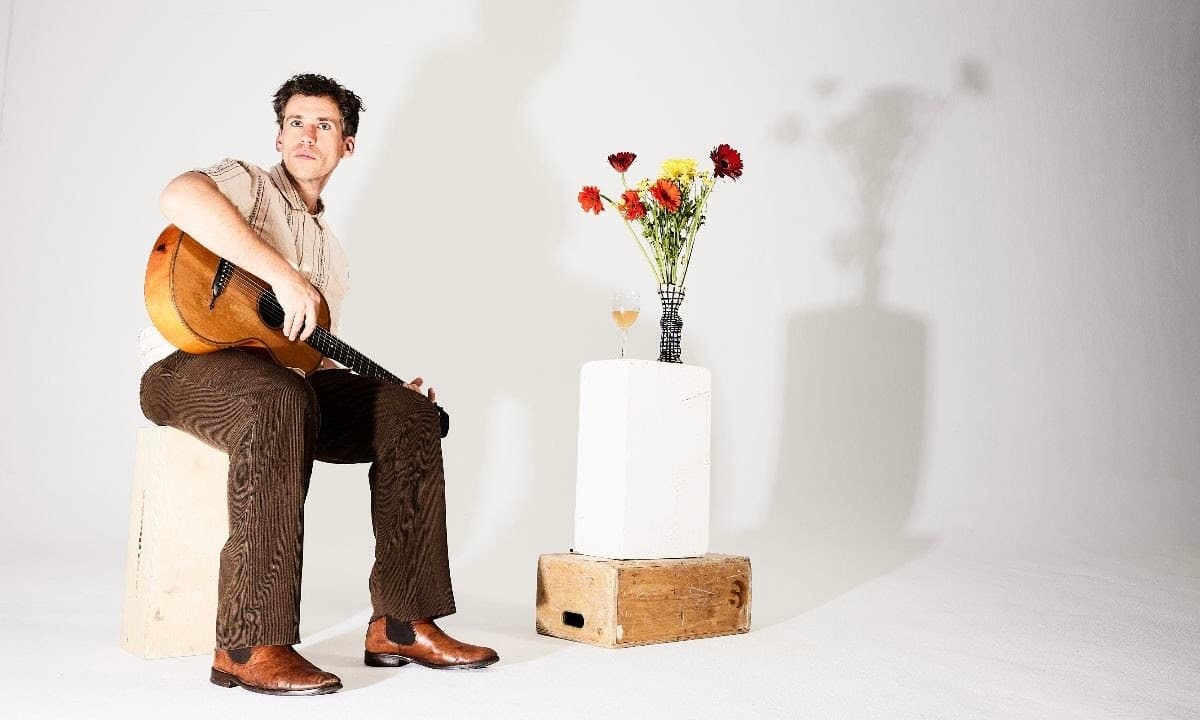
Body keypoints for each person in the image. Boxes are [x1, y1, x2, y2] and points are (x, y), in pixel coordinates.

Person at [138, 73, 498, 697]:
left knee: (406, 413)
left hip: (277, 379)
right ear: (279, 137)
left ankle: (402, 623)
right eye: (296, 123)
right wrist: (282, 275)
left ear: (347, 146)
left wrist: (388, 386)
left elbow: (304, 356)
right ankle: (248, 644)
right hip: (184, 366)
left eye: (324, 125)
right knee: (279, 399)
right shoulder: (248, 184)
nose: (308, 135)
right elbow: (179, 194)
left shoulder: (332, 256)